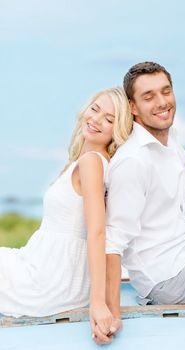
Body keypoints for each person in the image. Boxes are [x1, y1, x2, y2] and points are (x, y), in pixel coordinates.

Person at [101, 61, 185, 343]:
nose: (162, 102)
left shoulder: (172, 142)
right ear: (133, 107)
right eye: (149, 97)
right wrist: (110, 310)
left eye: (165, 91)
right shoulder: (133, 161)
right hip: (170, 275)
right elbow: (114, 241)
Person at [0, 87, 133, 343]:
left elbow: (98, 231)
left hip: (51, 278)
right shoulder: (90, 160)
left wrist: (99, 305)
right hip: (45, 264)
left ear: (117, 130)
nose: (96, 120)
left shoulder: (92, 162)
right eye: (95, 109)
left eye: (109, 119)